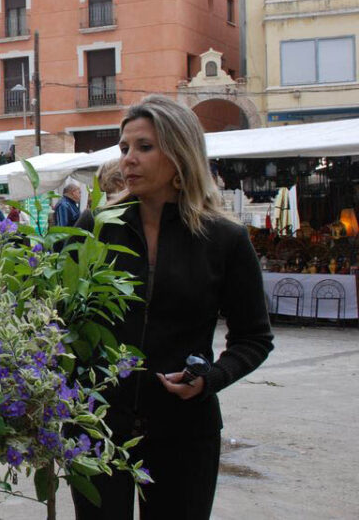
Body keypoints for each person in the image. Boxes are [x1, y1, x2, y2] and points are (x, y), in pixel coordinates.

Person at [69, 95, 274, 519]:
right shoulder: (94, 227)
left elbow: (254, 338)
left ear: (180, 153)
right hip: (98, 427)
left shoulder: (225, 240)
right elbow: (64, 321)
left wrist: (210, 378)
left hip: (185, 431)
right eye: (124, 148)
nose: (129, 160)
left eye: (145, 147)